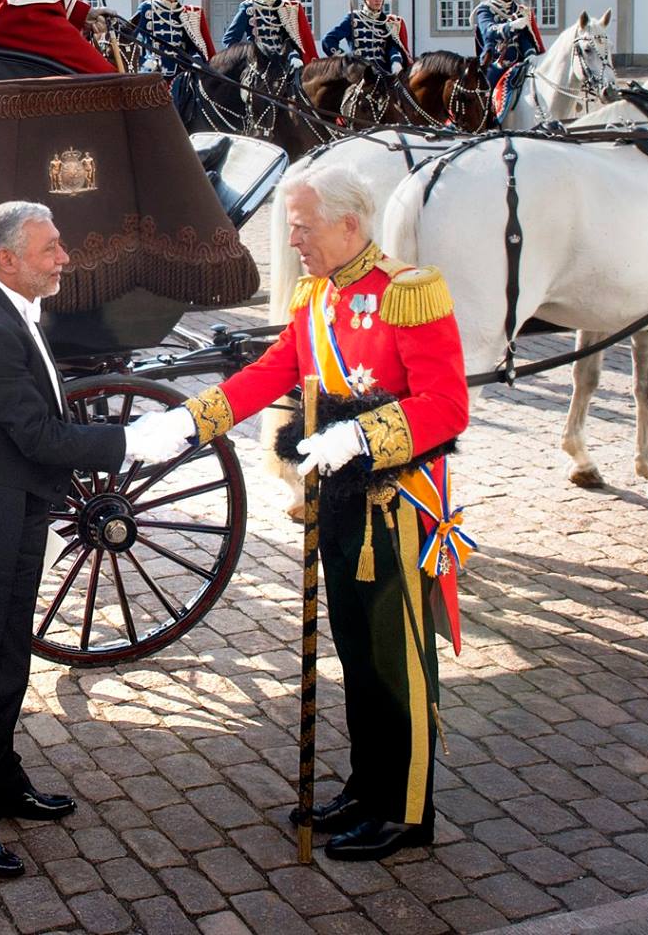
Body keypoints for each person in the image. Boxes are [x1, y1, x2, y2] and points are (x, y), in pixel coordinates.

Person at [176, 160, 469, 860]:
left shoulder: (408, 293)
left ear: (349, 224)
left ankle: (406, 809)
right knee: (358, 657)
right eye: (292, 229)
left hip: (396, 508)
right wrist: (192, 423)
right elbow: (273, 371)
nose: (295, 242)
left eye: (304, 230)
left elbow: (445, 406)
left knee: (397, 663)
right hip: (336, 501)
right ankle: (370, 786)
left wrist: (359, 434)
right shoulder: (316, 296)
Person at [0, 201, 194, 877]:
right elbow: (41, 437)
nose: (65, 258)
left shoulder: (6, 309)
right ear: (8, 260)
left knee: (7, 660)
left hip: (12, 505)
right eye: (50, 249)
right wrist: (131, 441)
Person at [131, 0, 213, 120]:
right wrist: (143, 60)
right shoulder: (148, 9)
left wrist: (196, 57)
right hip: (152, 72)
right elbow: (130, 35)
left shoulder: (184, 13)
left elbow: (190, 43)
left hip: (178, 73)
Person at [474, 0, 542, 112]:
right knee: (485, 90)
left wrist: (531, 54)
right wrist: (510, 26)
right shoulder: (485, 9)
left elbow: (525, 38)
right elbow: (488, 31)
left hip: (519, 62)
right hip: (495, 60)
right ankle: (483, 119)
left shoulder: (519, 10)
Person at [322, 0, 412, 77]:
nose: (378, 0)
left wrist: (395, 62)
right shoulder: (354, 18)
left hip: (383, 72)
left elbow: (392, 47)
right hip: (360, 74)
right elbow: (328, 40)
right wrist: (346, 60)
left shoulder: (386, 22)